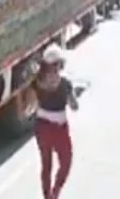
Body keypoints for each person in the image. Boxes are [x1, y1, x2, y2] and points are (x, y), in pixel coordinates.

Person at [24, 44, 77, 199]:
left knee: (46, 165)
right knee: (65, 162)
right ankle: (55, 192)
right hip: (59, 128)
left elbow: (29, 109)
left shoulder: (36, 84)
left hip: (42, 127)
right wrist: (72, 98)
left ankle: (48, 196)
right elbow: (74, 106)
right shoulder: (65, 84)